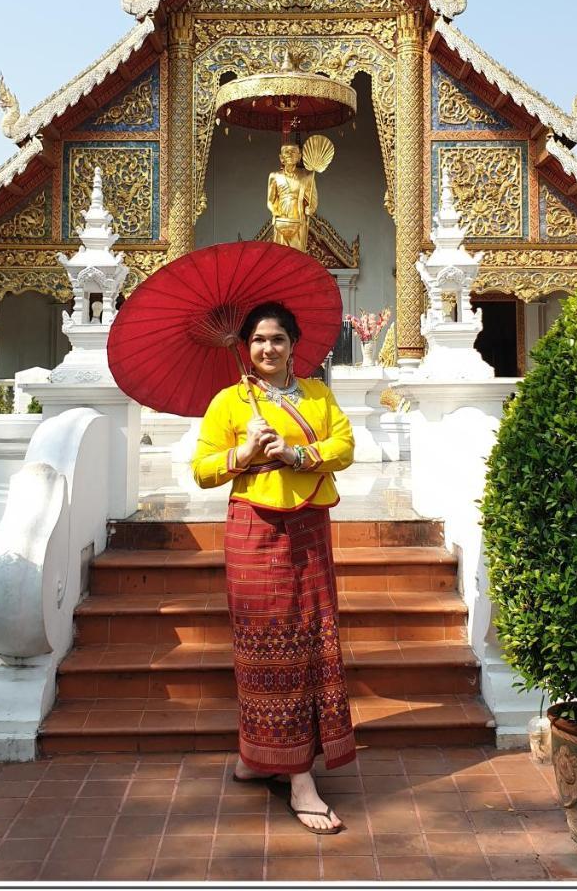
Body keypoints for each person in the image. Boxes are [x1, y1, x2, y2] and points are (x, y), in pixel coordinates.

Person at [192, 301, 355, 835]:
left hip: (307, 525)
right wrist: (243, 455)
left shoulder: (317, 395)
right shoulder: (228, 403)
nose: (268, 348)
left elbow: (344, 445)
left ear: (293, 345)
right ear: (247, 345)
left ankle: (295, 768)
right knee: (261, 641)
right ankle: (266, 756)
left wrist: (295, 453)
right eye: (259, 339)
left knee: (308, 637)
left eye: (278, 339)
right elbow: (202, 470)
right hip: (253, 529)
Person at [268, 142, 318, 251]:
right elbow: (270, 201)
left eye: (294, 152)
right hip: (281, 220)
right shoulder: (275, 176)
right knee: (280, 255)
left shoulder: (307, 176)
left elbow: (313, 200)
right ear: (281, 157)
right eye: (286, 152)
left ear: (299, 156)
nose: (290, 154)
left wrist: (311, 209)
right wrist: (275, 212)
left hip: (298, 221)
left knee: (298, 255)